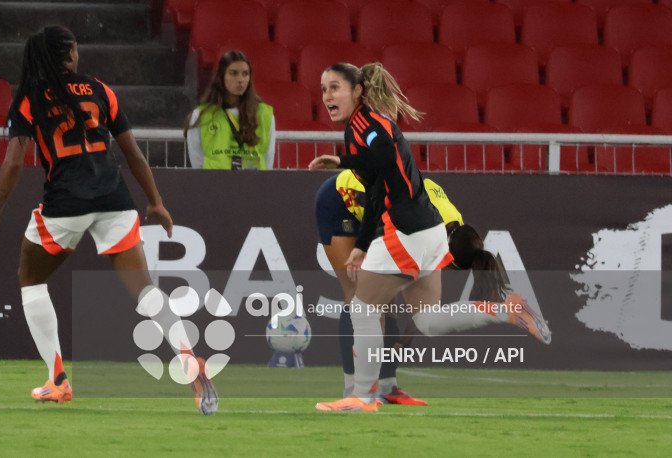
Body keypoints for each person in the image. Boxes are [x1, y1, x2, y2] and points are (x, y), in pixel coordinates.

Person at [0, 25, 217, 415]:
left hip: (64, 202)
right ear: (68, 56)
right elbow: (133, 154)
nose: (78, 55)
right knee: (145, 290)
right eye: (74, 50)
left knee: (31, 279)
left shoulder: (29, 99)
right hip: (114, 199)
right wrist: (155, 202)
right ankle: (190, 359)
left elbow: (14, 161)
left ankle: (57, 380)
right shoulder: (101, 90)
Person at [309, 62, 550, 412]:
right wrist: (362, 245)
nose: (327, 96)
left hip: (403, 229)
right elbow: (377, 189)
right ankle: (505, 310)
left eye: (335, 88)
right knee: (427, 320)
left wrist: (345, 161)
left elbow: (379, 159)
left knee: (361, 307)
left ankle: (361, 397)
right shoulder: (452, 224)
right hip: (428, 231)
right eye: (323, 89)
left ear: (358, 90)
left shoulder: (366, 126)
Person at [316, 171, 545, 405]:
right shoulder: (427, 222)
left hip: (402, 221)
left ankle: (382, 389)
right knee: (360, 298)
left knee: (422, 317)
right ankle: (353, 391)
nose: (441, 269)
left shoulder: (455, 231)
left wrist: (409, 331)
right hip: (342, 203)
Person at [184, 50, 276, 170]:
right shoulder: (200, 116)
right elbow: (197, 163)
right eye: (233, 73)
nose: (240, 79)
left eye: (245, 74)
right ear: (221, 77)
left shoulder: (264, 115)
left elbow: (268, 159)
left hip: (254, 185)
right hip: (214, 186)